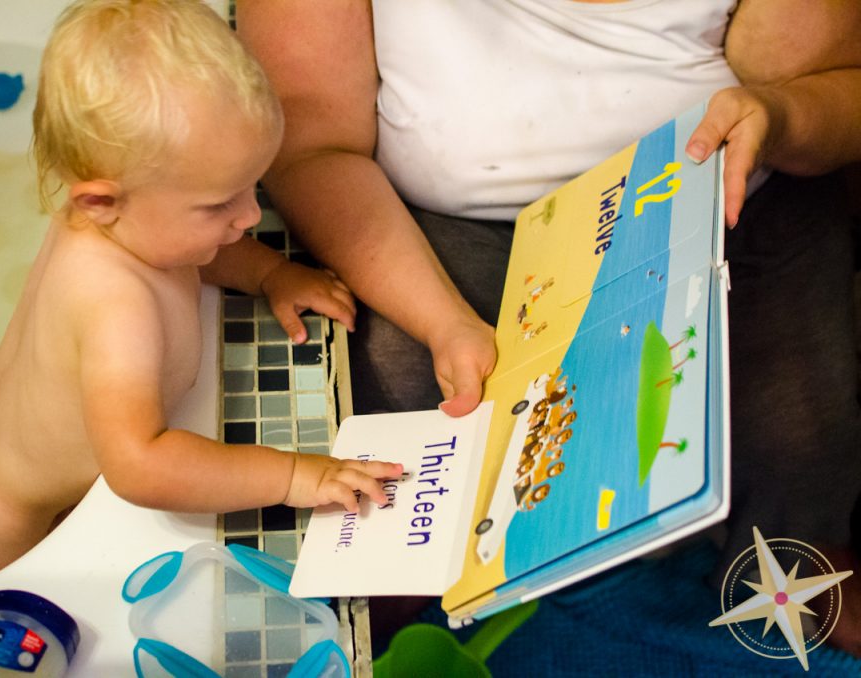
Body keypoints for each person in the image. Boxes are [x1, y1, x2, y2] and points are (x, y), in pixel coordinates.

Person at [236, 0, 861, 656]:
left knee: (799, 441)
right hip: (441, 221)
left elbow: (835, 88)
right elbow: (310, 140)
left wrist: (784, 115)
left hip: (716, 196)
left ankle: (795, 569)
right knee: (417, 430)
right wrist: (442, 321)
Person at [0, 0, 402, 584]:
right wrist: (294, 476)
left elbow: (188, 246)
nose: (251, 215)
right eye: (219, 204)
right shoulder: (113, 303)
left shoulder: (130, 213)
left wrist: (269, 274)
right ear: (101, 201)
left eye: (250, 188)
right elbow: (140, 463)